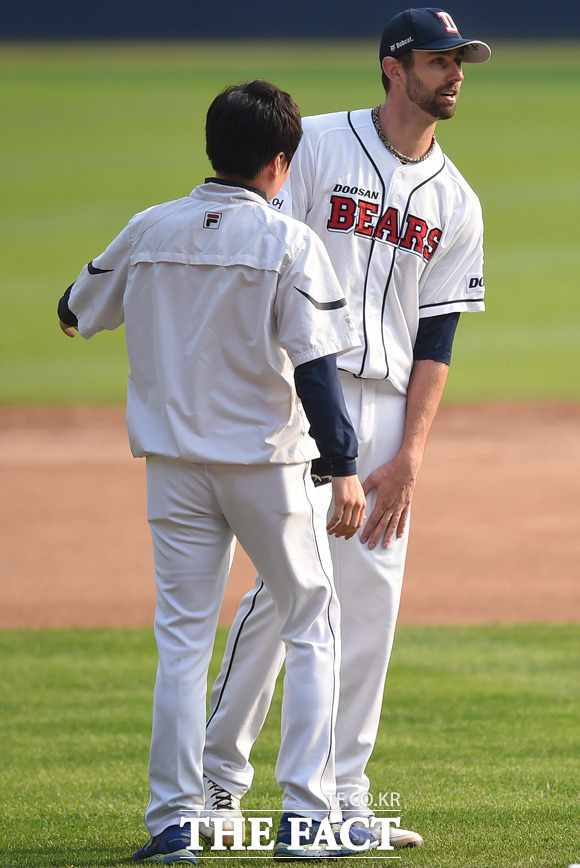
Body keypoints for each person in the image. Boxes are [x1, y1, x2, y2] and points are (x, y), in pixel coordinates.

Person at [57, 79, 370, 863]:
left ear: (212, 148)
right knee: (310, 623)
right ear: (281, 162)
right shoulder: (289, 242)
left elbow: (72, 310)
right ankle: (305, 819)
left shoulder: (149, 226)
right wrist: (346, 469)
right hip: (266, 467)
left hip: (173, 469)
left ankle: (173, 825)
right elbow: (317, 371)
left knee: (182, 642)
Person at [201, 7, 491, 850]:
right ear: (393, 68)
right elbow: (249, 239)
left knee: (370, 603)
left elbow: (438, 334)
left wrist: (411, 456)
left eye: (460, 60)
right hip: (301, 393)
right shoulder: (316, 148)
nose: (455, 73)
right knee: (290, 591)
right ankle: (219, 785)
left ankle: (343, 797)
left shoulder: (456, 199)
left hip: (389, 404)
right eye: (439, 60)